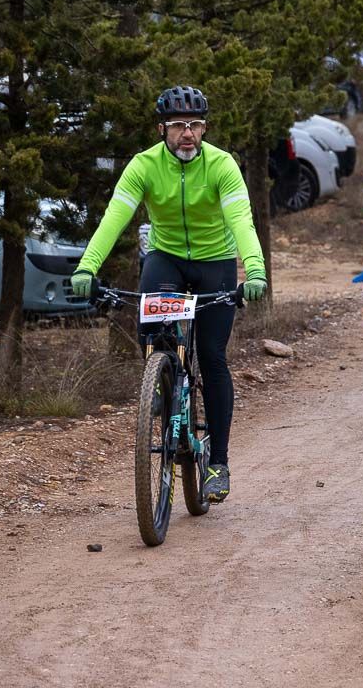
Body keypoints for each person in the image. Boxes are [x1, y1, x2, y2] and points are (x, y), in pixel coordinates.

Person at [71, 86, 268, 503]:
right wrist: (88, 265)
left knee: (213, 357)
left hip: (215, 260)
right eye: (179, 125)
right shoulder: (143, 166)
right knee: (156, 332)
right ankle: (159, 384)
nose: (188, 134)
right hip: (167, 257)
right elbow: (114, 219)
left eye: (195, 125)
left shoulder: (221, 165)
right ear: (162, 128)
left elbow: (241, 221)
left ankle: (218, 461)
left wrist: (254, 268)